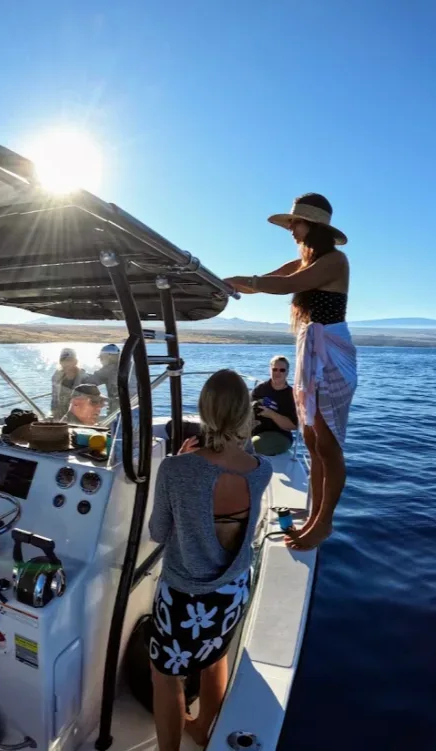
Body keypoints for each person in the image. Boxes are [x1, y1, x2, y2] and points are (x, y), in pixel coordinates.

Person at [147, 370, 272, 751]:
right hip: (232, 591)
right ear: (245, 414)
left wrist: (180, 464)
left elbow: (157, 532)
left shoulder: (175, 469)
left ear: (204, 410)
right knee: (215, 658)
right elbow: (234, 462)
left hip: (183, 597)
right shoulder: (261, 470)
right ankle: (203, 729)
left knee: (166, 675)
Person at [225, 193, 357, 550]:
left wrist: (243, 280)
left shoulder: (334, 260)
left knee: (328, 445)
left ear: (311, 225)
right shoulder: (305, 260)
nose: (290, 230)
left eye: (294, 223)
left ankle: (324, 524)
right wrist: (226, 283)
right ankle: (314, 515)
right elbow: (269, 280)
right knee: (312, 441)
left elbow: (283, 285)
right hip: (311, 350)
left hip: (330, 353)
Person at [250, 355, 298, 456]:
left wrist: (271, 414)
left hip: (281, 435)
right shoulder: (260, 389)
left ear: (287, 372)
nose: (277, 373)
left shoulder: (292, 395)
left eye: (282, 370)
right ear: (270, 370)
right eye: (274, 369)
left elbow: (293, 426)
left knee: (255, 445)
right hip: (255, 431)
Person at [50, 347, 87, 418]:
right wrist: (54, 413)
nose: (66, 363)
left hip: (80, 414)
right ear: (60, 362)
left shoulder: (85, 378)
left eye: (69, 360)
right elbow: (54, 398)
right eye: (63, 360)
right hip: (61, 414)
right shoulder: (56, 377)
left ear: (75, 362)